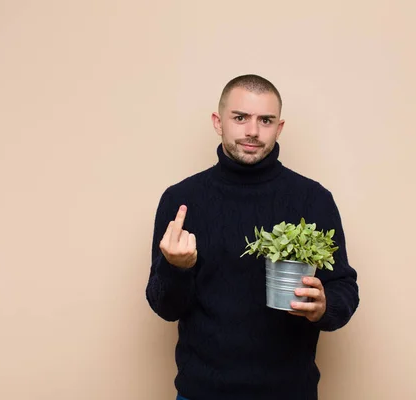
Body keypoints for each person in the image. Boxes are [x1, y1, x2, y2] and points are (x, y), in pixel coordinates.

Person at [145, 74, 359, 400]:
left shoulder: (312, 199)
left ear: (279, 127)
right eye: (240, 117)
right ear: (219, 122)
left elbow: (344, 287)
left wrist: (324, 306)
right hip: (202, 393)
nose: (253, 132)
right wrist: (176, 267)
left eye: (266, 120)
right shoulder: (182, 200)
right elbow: (164, 306)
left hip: (289, 392)